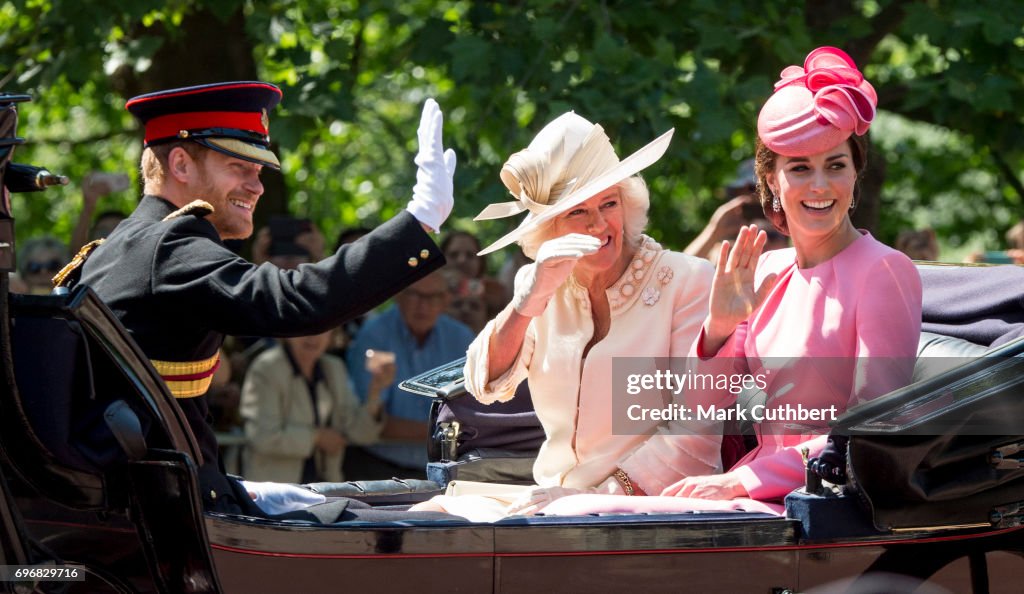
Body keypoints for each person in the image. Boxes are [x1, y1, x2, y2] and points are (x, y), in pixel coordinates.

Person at [541, 46, 922, 518]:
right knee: (570, 516)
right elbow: (704, 406)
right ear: (772, 179)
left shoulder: (884, 271)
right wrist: (719, 327)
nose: (820, 185)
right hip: (748, 489)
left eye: (836, 165)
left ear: (855, 172)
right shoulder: (766, 270)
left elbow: (869, 432)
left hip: (819, 502)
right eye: (800, 168)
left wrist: (739, 481)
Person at [71, 81, 457, 518]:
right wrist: (418, 222)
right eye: (239, 166)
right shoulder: (170, 245)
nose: (256, 186)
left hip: (141, 504)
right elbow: (296, 300)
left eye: (259, 171)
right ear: (179, 163)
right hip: (159, 516)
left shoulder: (120, 244)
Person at [411, 111, 718, 521]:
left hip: (651, 509)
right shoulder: (541, 283)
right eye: (577, 211)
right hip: (551, 501)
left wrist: (596, 498)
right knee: (424, 520)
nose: (597, 224)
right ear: (548, 227)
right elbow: (482, 383)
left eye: (609, 203)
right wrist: (529, 300)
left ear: (627, 205)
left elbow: (695, 434)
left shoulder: (687, 281)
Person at [344, 269, 475, 478]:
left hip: (446, 469)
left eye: (433, 296)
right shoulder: (373, 335)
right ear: (397, 295)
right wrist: (448, 432)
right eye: (414, 295)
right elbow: (373, 423)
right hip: (379, 466)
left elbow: (474, 414)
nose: (423, 305)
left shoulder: (461, 338)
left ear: (446, 299)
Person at [241, 329, 385, 483]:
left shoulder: (335, 368)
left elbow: (359, 433)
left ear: (332, 334)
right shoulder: (267, 367)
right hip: (273, 490)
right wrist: (317, 438)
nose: (312, 336)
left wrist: (375, 391)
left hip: (325, 491)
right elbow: (261, 435)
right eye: (305, 327)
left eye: (322, 328)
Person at [69, 171, 131, 254]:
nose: (109, 236)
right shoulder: (89, 262)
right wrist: (88, 206)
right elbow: (77, 253)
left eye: (118, 231)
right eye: (103, 232)